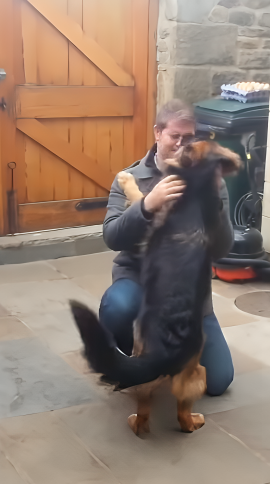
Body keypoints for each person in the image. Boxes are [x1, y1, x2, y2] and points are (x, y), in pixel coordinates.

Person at [99, 99, 235, 396]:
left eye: (190, 138)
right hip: (140, 278)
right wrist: (147, 204)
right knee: (117, 307)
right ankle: (130, 355)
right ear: (158, 133)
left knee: (219, 381)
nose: (183, 145)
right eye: (175, 136)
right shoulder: (130, 178)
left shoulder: (210, 181)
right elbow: (112, 236)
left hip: (188, 295)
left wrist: (212, 201)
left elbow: (222, 250)